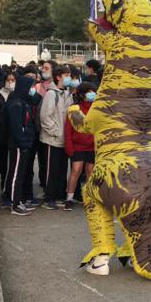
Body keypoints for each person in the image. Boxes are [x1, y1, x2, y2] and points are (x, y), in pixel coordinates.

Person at [2, 75, 38, 215]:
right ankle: (14, 203)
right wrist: (23, 142)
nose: (33, 89)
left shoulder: (24, 102)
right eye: (31, 86)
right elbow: (16, 127)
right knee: (16, 173)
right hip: (17, 144)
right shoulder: (16, 104)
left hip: (23, 143)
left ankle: (16, 200)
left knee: (19, 173)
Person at [39, 65, 74, 209]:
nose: (69, 78)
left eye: (69, 75)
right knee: (51, 170)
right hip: (52, 139)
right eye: (66, 75)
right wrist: (56, 132)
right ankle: (49, 198)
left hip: (64, 140)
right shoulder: (51, 94)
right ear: (58, 77)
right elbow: (45, 116)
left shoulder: (67, 93)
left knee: (61, 170)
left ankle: (59, 195)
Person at [63, 81, 96, 211]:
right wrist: (69, 147)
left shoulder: (96, 108)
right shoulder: (74, 109)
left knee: (90, 172)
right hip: (77, 146)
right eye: (89, 92)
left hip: (93, 146)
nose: (92, 94)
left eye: (93, 91)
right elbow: (68, 130)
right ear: (82, 94)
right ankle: (69, 198)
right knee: (75, 171)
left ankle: (89, 199)